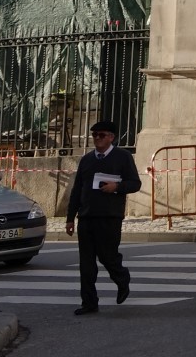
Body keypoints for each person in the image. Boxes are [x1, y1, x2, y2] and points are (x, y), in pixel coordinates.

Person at [65, 119, 141, 315]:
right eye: (94, 135)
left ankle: (121, 278)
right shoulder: (87, 160)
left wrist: (117, 187)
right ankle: (89, 302)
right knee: (86, 263)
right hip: (87, 216)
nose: (97, 139)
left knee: (108, 256)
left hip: (110, 216)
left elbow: (135, 183)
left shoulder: (122, 157)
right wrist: (70, 217)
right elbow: (77, 190)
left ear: (111, 137)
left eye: (101, 135)